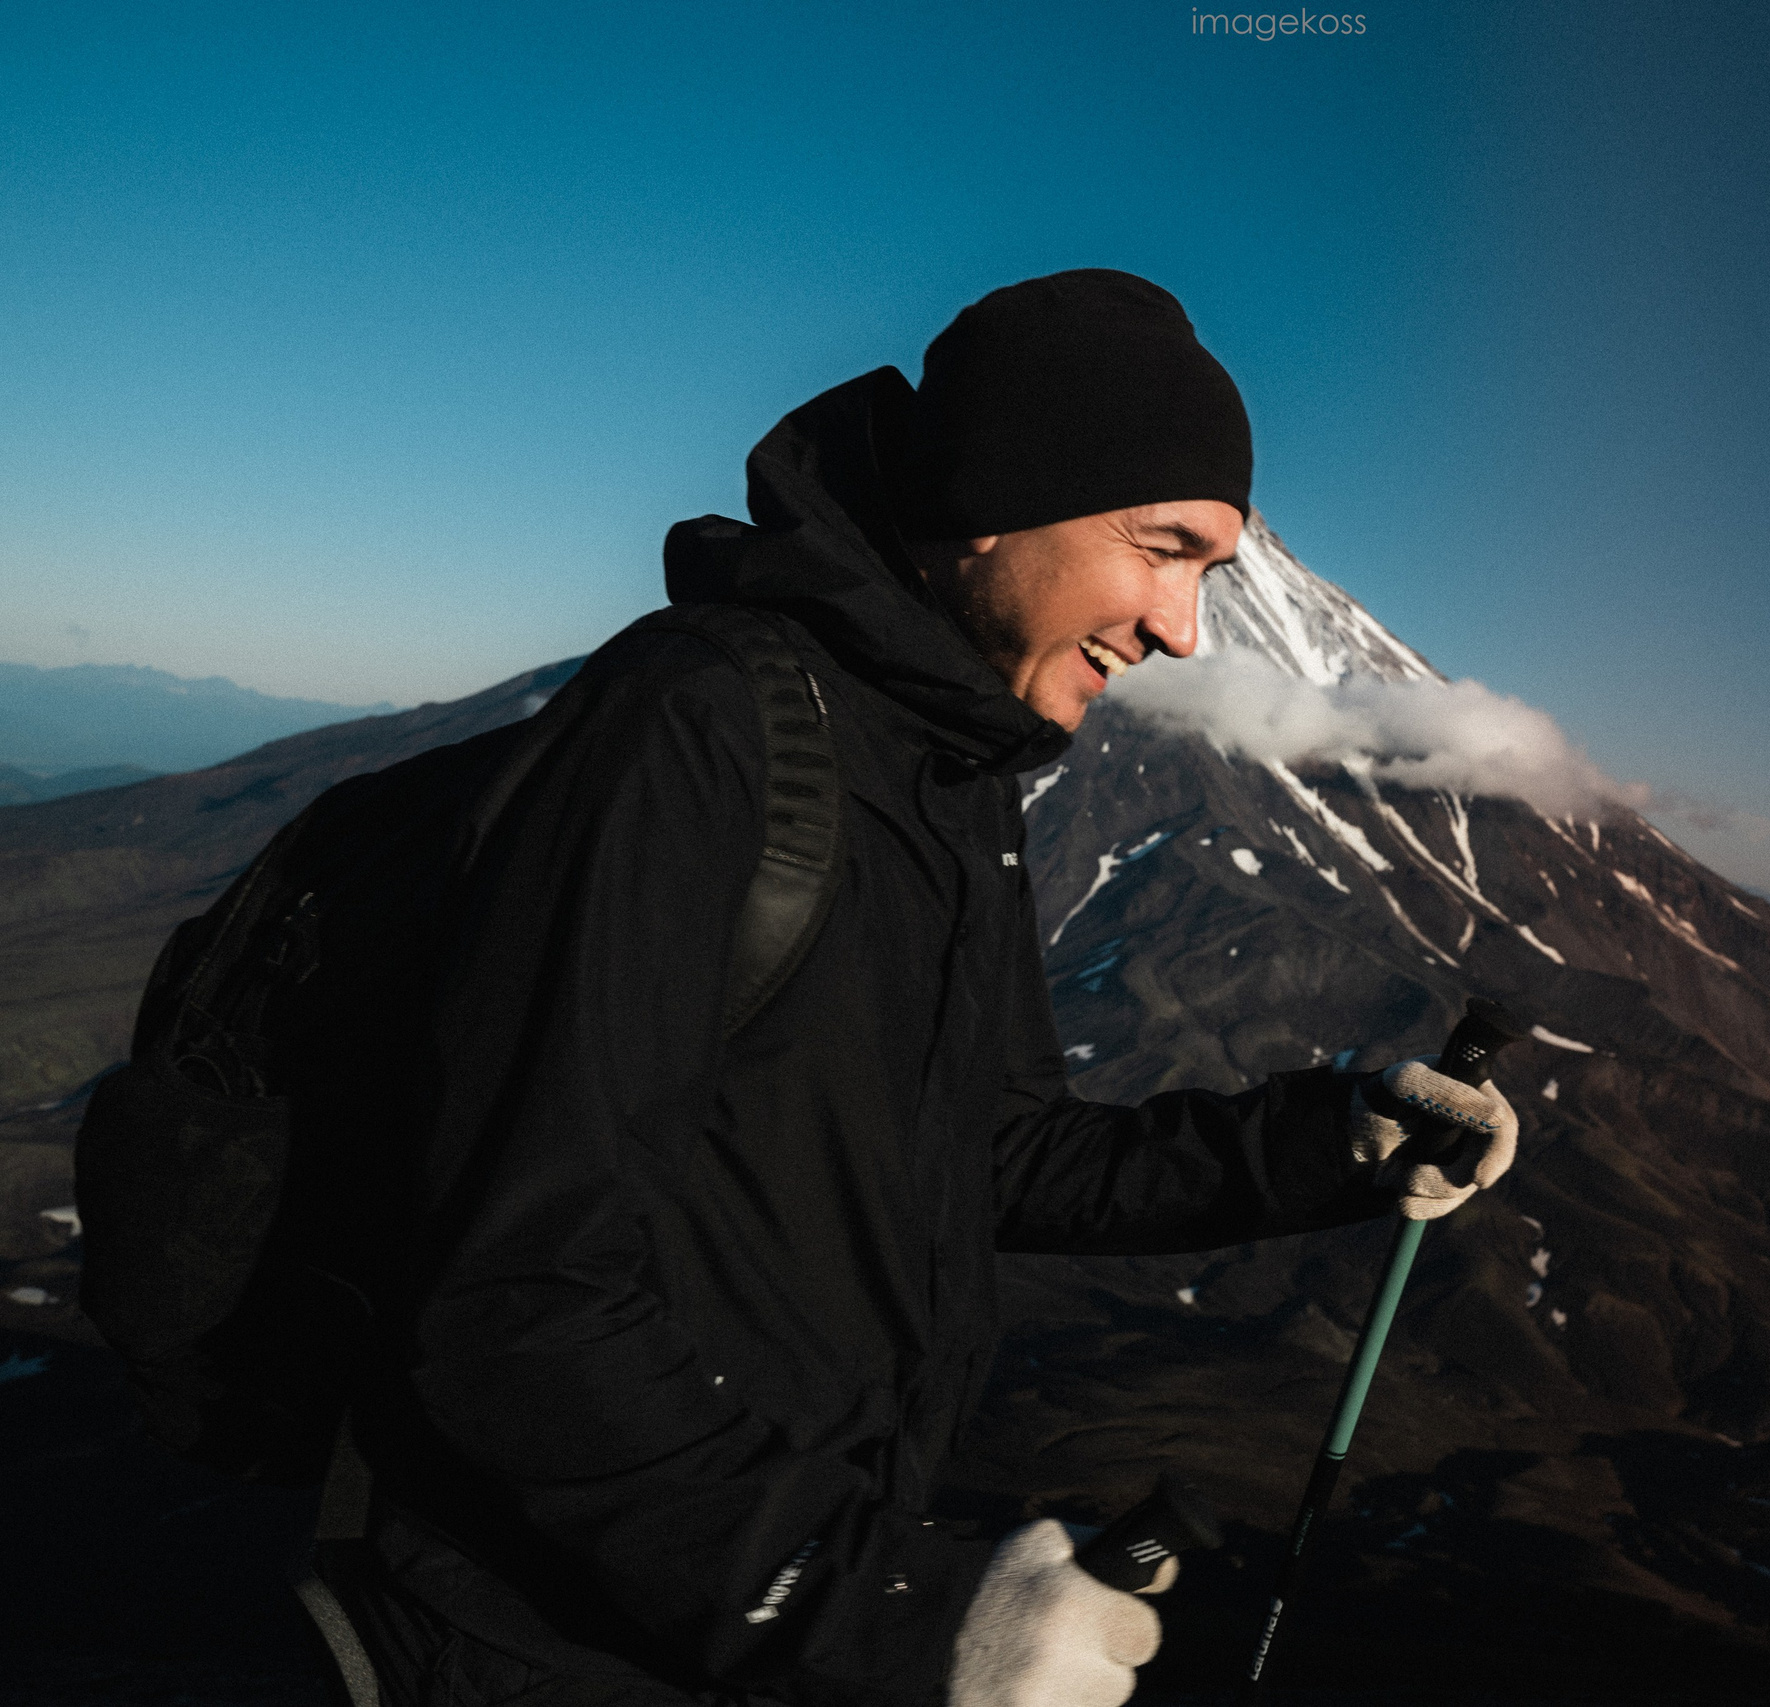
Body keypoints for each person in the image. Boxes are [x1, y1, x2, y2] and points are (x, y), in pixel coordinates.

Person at [311, 269, 1518, 1707]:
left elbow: (999, 1148)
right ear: (998, 499)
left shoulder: (947, 777)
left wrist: (1337, 1140)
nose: (1186, 632)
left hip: (730, 1627)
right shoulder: (700, 730)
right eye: (1162, 548)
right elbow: (515, 1291)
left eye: (1214, 574)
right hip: (540, 1645)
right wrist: (878, 1610)